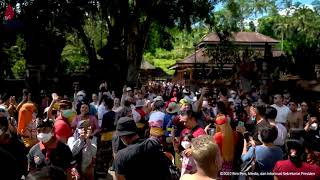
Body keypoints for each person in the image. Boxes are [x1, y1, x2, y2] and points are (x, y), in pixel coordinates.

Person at [96, 98, 116, 177]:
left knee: (104, 156)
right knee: (112, 154)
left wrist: (99, 131)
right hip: (114, 136)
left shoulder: (105, 115)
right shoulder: (115, 114)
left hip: (106, 138)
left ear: (106, 106)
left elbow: (104, 128)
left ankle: (105, 172)